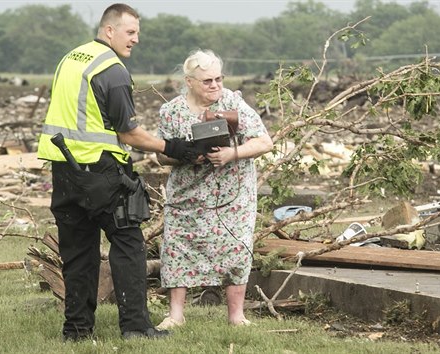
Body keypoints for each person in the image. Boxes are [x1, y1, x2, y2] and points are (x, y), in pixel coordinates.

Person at [37, 3, 197, 340]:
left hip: (64, 172)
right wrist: (172, 147)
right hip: (100, 171)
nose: (136, 39)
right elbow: (129, 134)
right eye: (131, 32)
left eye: (138, 32)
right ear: (110, 30)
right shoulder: (112, 69)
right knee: (128, 243)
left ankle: (77, 331)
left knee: (78, 252)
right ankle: (136, 327)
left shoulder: (71, 58)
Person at [156, 49, 273, 329]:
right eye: (207, 80)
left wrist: (233, 153)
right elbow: (160, 154)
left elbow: (264, 141)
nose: (215, 85)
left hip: (233, 196)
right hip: (187, 196)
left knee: (236, 249)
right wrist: (187, 155)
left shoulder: (233, 102)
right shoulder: (171, 111)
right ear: (190, 81)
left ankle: (236, 315)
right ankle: (175, 315)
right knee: (178, 248)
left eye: (219, 78)